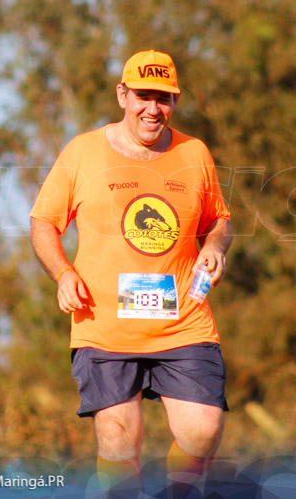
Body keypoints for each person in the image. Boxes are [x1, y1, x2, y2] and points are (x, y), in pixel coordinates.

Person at [29, 50, 232, 496]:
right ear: (123, 94)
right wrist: (63, 273)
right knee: (120, 438)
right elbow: (43, 221)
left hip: (183, 323)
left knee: (203, 429)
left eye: (164, 99)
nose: (152, 109)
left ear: (175, 103)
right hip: (104, 328)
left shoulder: (194, 152)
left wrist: (215, 246)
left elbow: (218, 219)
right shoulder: (83, 151)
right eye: (143, 96)